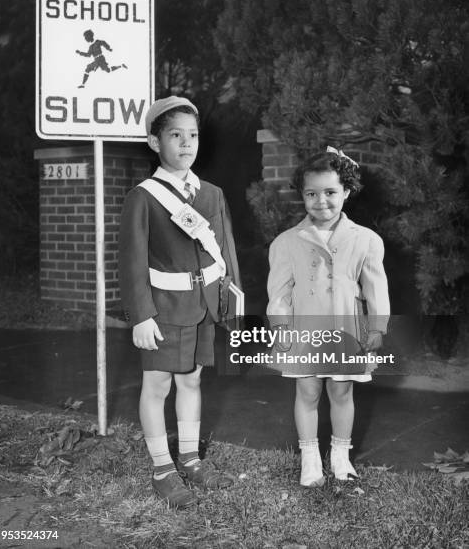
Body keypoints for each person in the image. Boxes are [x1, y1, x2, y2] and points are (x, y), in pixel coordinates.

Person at [119, 96, 241, 508]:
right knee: (158, 384)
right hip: (164, 307)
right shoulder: (144, 196)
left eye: (192, 135)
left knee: (192, 379)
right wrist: (141, 315)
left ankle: (189, 459)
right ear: (155, 142)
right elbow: (132, 260)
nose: (186, 143)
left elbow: (226, 250)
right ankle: (162, 469)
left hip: (204, 302)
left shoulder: (213, 194)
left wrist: (231, 300)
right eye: (175, 135)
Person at [267, 147, 390, 487]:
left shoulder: (366, 240)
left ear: (347, 191)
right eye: (312, 194)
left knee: (342, 392)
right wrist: (282, 329)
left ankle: (340, 455)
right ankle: (309, 457)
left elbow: (376, 290)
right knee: (307, 392)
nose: (322, 201)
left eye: (331, 192)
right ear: (302, 196)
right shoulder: (287, 242)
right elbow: (279, 294)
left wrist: (376, 329)